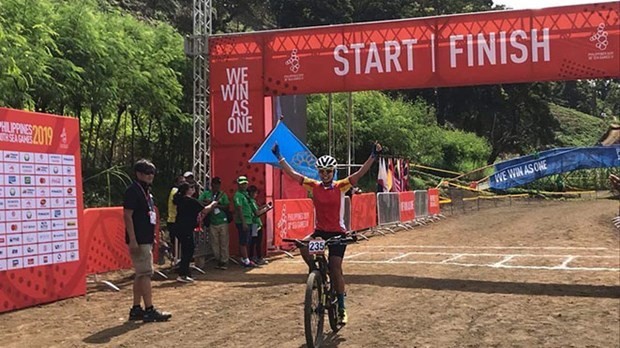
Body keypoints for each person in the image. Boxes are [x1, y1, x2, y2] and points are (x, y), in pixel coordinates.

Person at [271, 142, 382, 325]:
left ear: (333, 171)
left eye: (328, 171)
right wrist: (279, 157)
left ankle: (342, 307)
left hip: (338, 232)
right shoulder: (313, 186)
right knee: (304, 248)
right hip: (320, 231)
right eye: (322, 171)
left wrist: (373, 156)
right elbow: (293, 175)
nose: (325, 175)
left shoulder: (341, 186)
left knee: (335, 267)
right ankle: (316, 273)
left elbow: (359, 173)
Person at [123, 159, 171, 322]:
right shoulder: (133, 191)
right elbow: (127, 216)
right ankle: (149, 309)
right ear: (138, 174)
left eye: (152, 173)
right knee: (145, 274)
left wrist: (153, 237)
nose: (150, 175)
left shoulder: (146, 192)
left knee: (140, 274)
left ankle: (136, 308)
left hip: (146, 237)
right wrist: (133, 240)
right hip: (139, 239)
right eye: (146, 172)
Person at [173, 182, 219, 282]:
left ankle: (186, 272)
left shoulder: (181, 200)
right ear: (187, 190)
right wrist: (212, 204)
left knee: (187, 250)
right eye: (191, 188)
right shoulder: (190, 201)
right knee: (188, 250)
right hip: (185, 228)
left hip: (180, 227)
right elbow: (205, 210)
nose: (193, 189)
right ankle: (182, 274)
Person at [198, 177, 231, 270]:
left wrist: (218, 205)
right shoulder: (206, 194)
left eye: (218, 184)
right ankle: (218, 259)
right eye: (215, 184)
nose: (216, 186)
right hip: (213, 221)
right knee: (214, 243)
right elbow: (199, 202)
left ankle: (224, 261)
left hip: (222, 221)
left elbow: (227, 206)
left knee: (224, 242)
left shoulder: (222, 195)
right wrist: (209, 203)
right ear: (211, 185)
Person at [233, 176, 256, 267]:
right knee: (243, 241)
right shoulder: (238, 195)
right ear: (238, 184)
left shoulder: (245, 194)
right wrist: (243, 222)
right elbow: (239, 209)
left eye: (245, 183)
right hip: (244, 221)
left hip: (249, 220)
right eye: (242, 184)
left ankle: (245, 258)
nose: (244, 185)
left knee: (248, 240)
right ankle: (245, 260)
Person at [247, 185, 272, 266]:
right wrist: (266, 209)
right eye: (255, 193)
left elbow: (257, 209)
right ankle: (258, 258)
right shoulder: (251, 201)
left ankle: (253, 257)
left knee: (254, 242)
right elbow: (257, 213)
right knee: (257, 242)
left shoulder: (251, 201)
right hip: (256, 225)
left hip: (255, 224)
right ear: (252, 193)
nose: (256, 194)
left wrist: (265, 206)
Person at [167, 175, 186, 258]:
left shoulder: (178, 191)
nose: (183, 184)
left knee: (180, 243)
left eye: (184, 182)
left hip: (177, 220)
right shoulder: (175, 191)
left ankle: (178, 259)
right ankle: (176, 260)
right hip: (173, 220)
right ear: (176, 183)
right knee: (176, 243)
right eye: (181, 182)